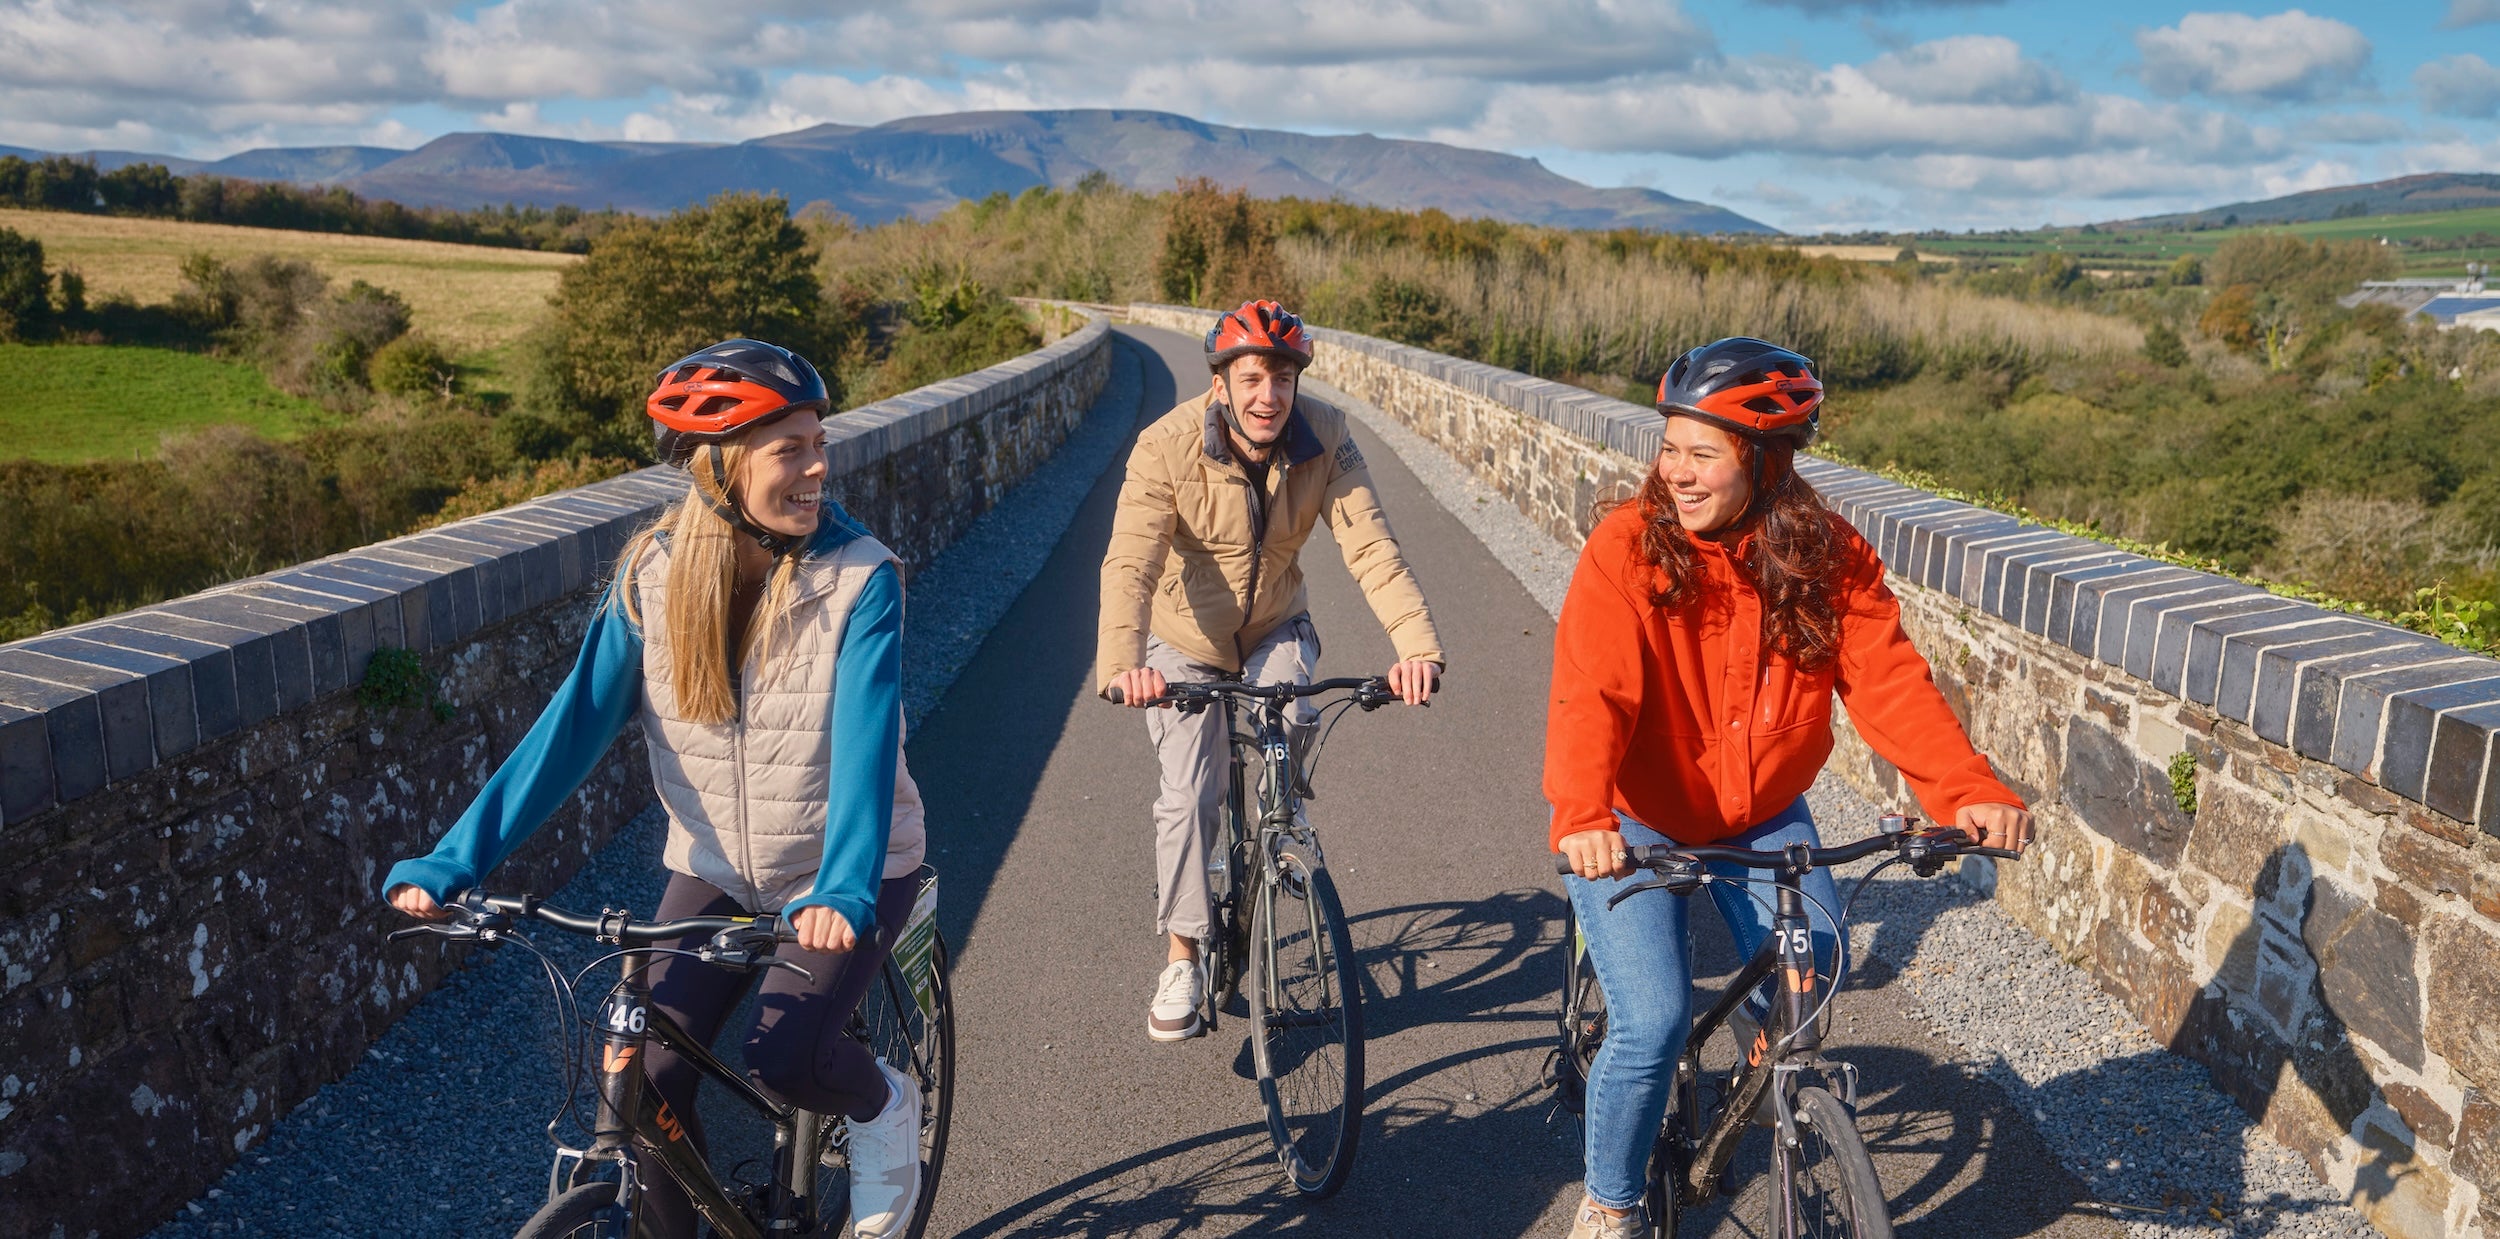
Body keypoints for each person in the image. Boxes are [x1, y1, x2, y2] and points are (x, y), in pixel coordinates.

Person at [381, 339, 928, 1239]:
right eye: (789, 448)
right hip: (713, 866)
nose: (818, 464)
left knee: (787, 1054)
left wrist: (844, 885)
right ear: (720, 468)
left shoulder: (859, 579)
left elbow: (868, 750)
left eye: (817, 439)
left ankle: (883, 1107)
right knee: (641, 1086)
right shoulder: (652, 576)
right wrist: (455, 859)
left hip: (846, 866)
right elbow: (567, 732)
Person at [1543, 337, 2034, 1239]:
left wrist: (1963, 791)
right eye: (1670, 447)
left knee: (1822, 965)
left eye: (1703, 453)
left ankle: (1772, 1079)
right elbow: (1592, 693)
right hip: (1633, 816)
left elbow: (1888, 681)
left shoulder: (1827, 557)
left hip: (1764, 814)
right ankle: (1609, 1201)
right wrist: (1580, 813)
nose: (1676, 474)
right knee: (1651, 1020)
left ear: (1765, 462)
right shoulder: (1626, 548)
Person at [1099, 299, 1445, 1041]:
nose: (1269, 395)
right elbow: (1131, 563)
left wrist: (1416, 647)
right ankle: (1184, 953)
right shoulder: (1165, 445)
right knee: (1191, 789)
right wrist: (1123, 664)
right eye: (1252, 377)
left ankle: (1279, 817)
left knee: (1292, 709)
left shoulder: (1328, 437)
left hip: (1276, 623)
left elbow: (1372, 548)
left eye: (1283, 379)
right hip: (1181, 638)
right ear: (1220, 382)